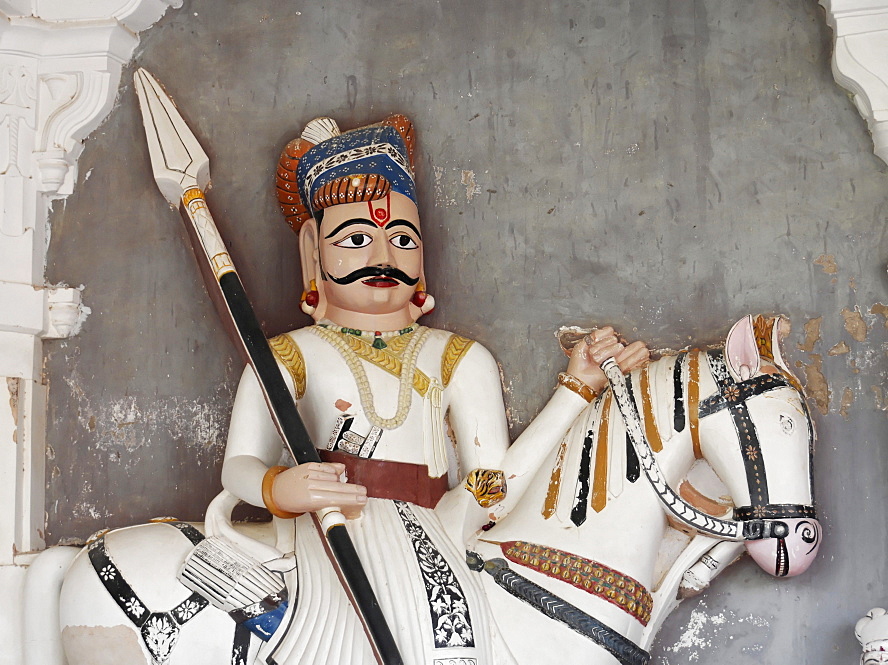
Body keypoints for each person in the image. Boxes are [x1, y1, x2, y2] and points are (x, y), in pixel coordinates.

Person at [208, 114, 649, 665]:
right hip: (323, 533)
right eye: (357, 239)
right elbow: (238, 467)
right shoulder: (286, 356)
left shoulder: (460, 360)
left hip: (433, 531)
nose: (384, 259)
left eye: (402, 240)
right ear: (313, 254)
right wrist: (280, 487)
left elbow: (493, 487)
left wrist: (575, 390)